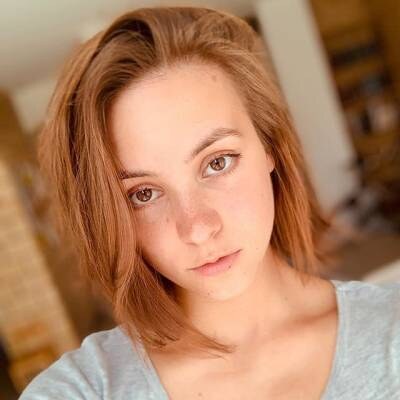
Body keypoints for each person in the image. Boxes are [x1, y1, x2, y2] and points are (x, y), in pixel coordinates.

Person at [20, 6, 400, 400]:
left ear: (269, 145)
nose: (198, 228)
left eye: (218, 163)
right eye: (143, 194)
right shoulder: (86, 390)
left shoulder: (391, 333)